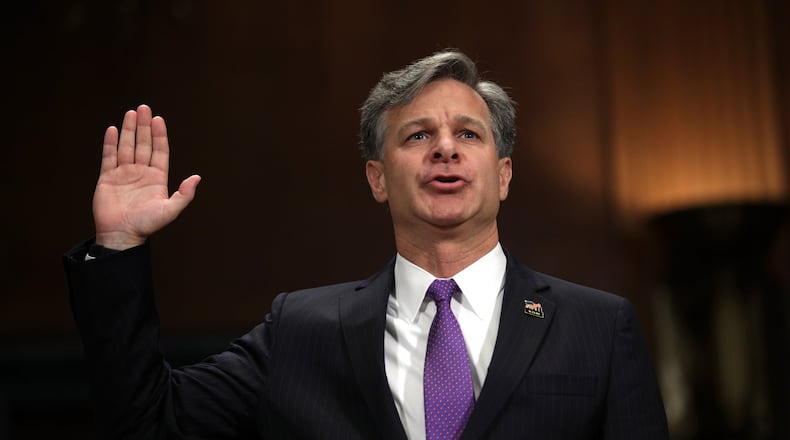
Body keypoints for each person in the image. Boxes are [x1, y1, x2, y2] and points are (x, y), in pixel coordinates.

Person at [64, 50, 669, 439]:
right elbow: (148, 422)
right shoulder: (300, 330)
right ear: (378, 178)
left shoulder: (597, 326)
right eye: (417, 135)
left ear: (504, 174)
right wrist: (117, 247)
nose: (445, 149)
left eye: (467, 133)